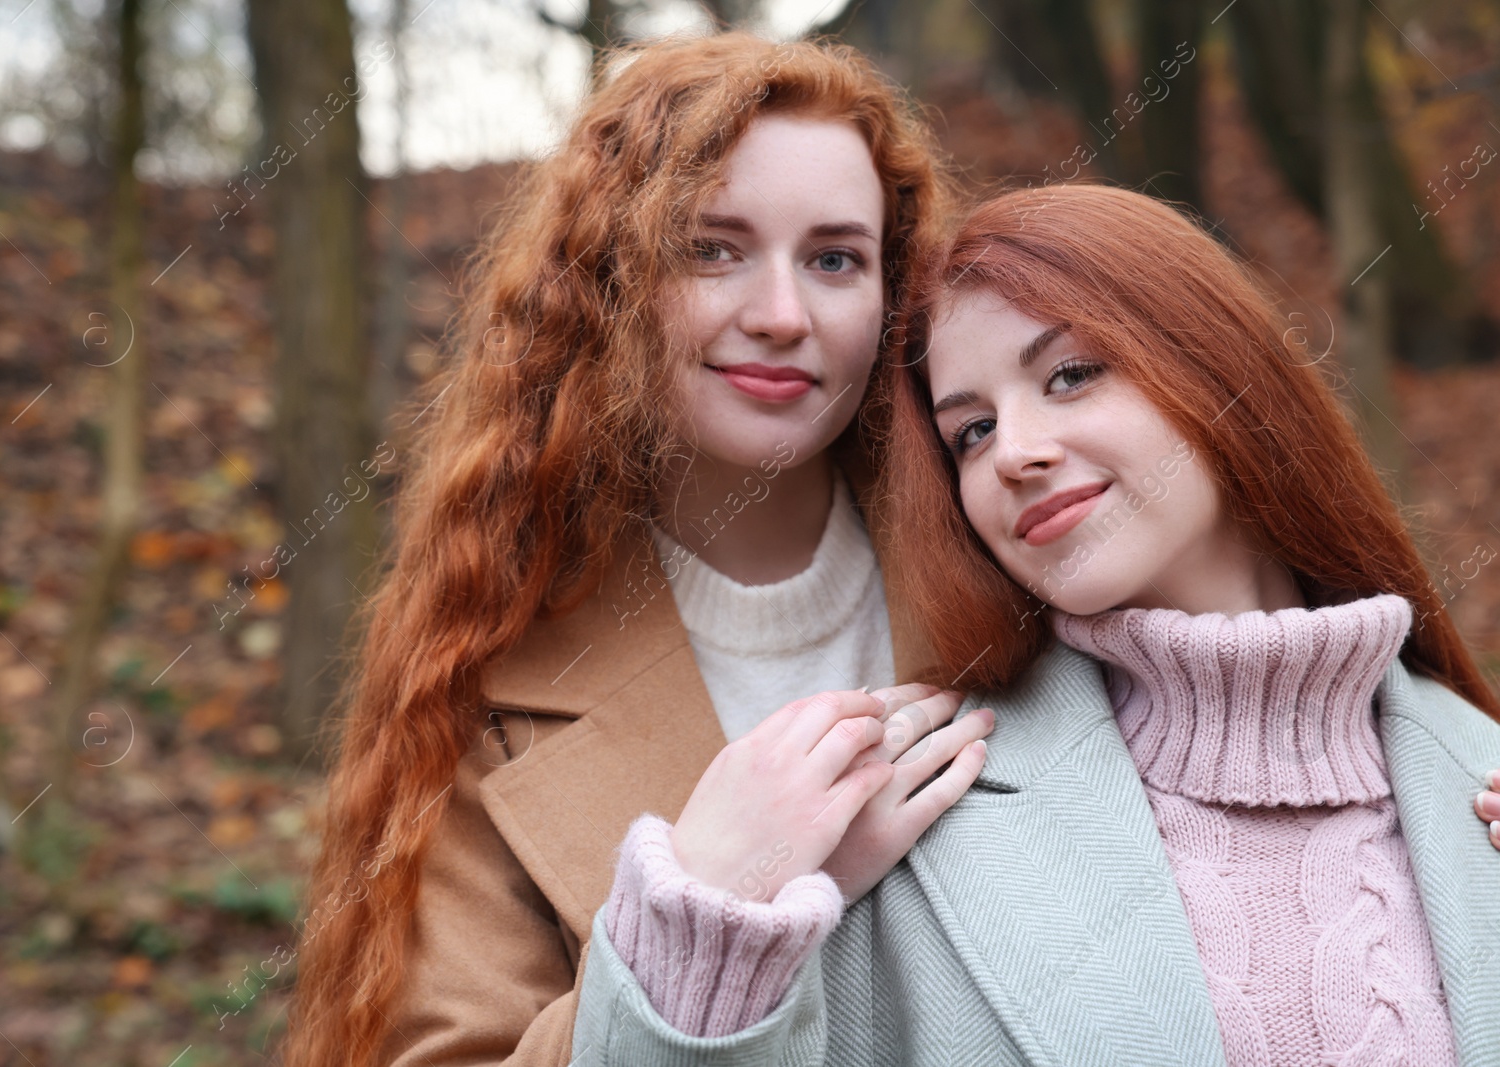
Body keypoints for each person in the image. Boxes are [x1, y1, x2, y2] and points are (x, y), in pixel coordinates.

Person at [571, 183, 1500, 1064]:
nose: (1014, 452)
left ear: (1223, 369)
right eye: (969, 431)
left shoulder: (1474, 778)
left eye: (1069, 374)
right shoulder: (907, 813)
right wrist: (710, 922)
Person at [277, 32, 991, 1067]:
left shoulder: (1016, 548)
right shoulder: (486, 665)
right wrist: (706, 910)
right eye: (712, 249)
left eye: (834, 258)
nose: (783, 315)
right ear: (611, 282)